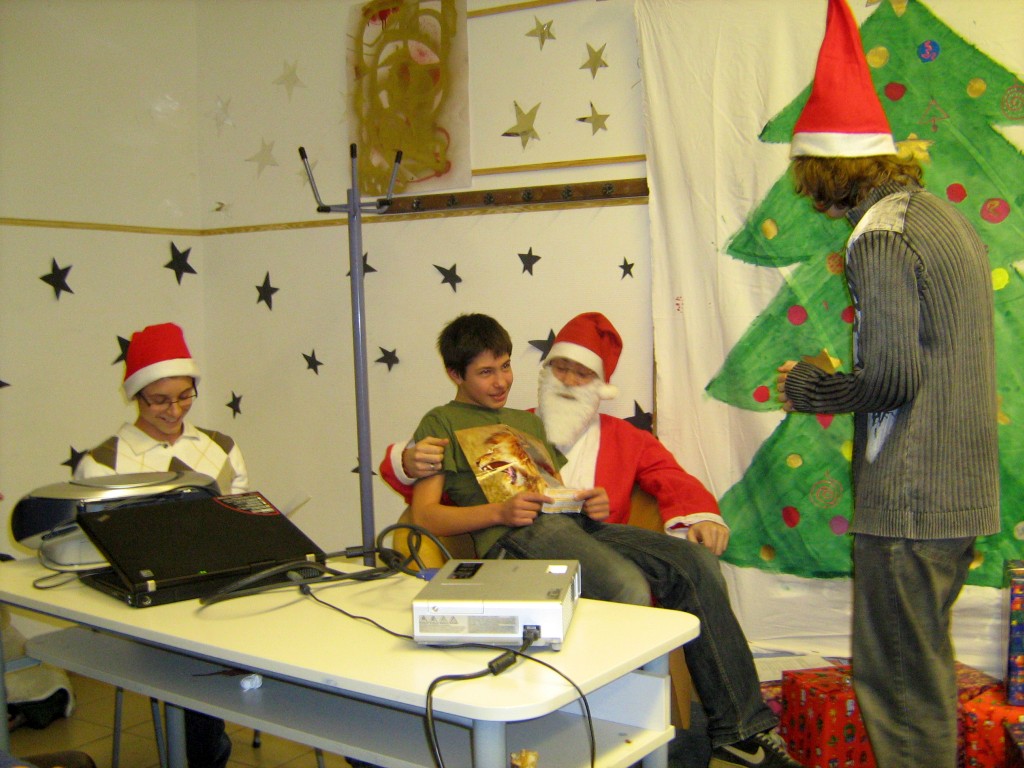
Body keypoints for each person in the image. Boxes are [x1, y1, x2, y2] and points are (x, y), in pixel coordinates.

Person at [398, 312, 800, 768]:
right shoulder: (441, 421)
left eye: (506, 366)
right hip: (512, 538)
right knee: (624, 584)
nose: (501, 381)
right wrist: (498, 512)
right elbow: (425, 515)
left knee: (693, 562)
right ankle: (631, 737)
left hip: (567, 525)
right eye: (485, 372)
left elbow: (551, 488)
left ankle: (740, 730)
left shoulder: (525, 423)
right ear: (455, 375)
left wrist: (587, 501)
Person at [774, 1, 1000, 766]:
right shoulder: (938, 218)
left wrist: (812, 386)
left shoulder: (879, 238)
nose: (815, 205)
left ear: (827, 173)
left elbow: (895, 378)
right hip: (956, 492)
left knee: (897, 687)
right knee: (921, 676)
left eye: (812, 187)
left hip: (910, 497)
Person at [74, 322, 242, 768]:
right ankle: (206, 752)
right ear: (136, 395)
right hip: (153, 600)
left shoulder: (220, 447)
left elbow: (240, 515)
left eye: (185, 396)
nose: (175, 409)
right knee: (195, 660)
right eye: (160, 400)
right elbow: (102, 550)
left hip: (217, 584)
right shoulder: (104, 462)